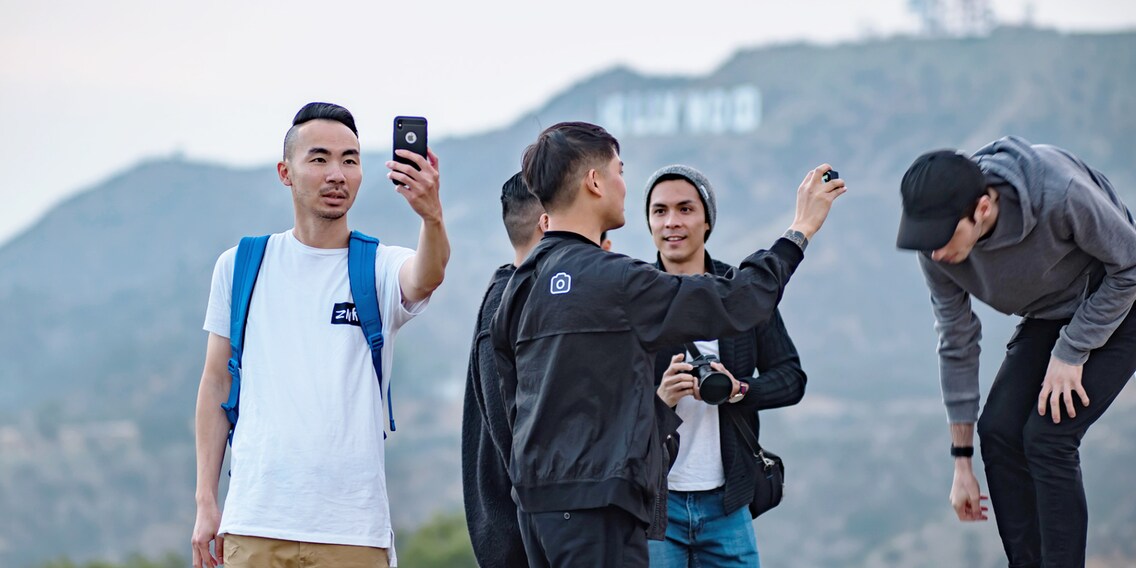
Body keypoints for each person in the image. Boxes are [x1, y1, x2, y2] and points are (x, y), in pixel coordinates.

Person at [491, 121, 844, 568]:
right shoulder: (615, 279)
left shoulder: (520, 285)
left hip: (536, 510)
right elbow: (736, 301)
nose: (624, 183)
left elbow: (510, 407)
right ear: (594, 182)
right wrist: (800, 230)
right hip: (599, 511)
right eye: (620, 170)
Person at [191, 102, 450, 568]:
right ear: (285, 172)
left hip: (351, 530)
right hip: (255, 523)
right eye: (320, 159)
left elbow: (426, 276)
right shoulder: (240, 265)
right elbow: (216, 383)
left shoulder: (377, 265)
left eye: (350, 160)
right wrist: (206, 501)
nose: (337, 173)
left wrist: (431, 217)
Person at [896, 136, 1136, 568]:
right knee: (999, 431)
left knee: (1048, 436)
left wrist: (1072, 351)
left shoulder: (1058, 192)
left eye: (942, 238)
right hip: (1050, 312)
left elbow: (1131, 265)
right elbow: (957, 340)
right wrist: (962, 463)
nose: (935, 252)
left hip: (1120, 301)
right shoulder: (936, 246)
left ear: (983, 208)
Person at [644, 165, 807, 567]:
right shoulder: (636, 298)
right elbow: (606, 405)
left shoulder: (741, 294)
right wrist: (660, 398)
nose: (672, 222)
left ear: (707, 220)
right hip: (654, 504)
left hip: (728, 502)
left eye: (685, 209)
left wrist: (740, 390)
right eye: (660, 211)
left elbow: (791, 379)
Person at [461, 172, 545, 567]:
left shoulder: (527, 297)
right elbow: (512, 438)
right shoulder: (507, 310)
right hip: (521, 543)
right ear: (549, 221)